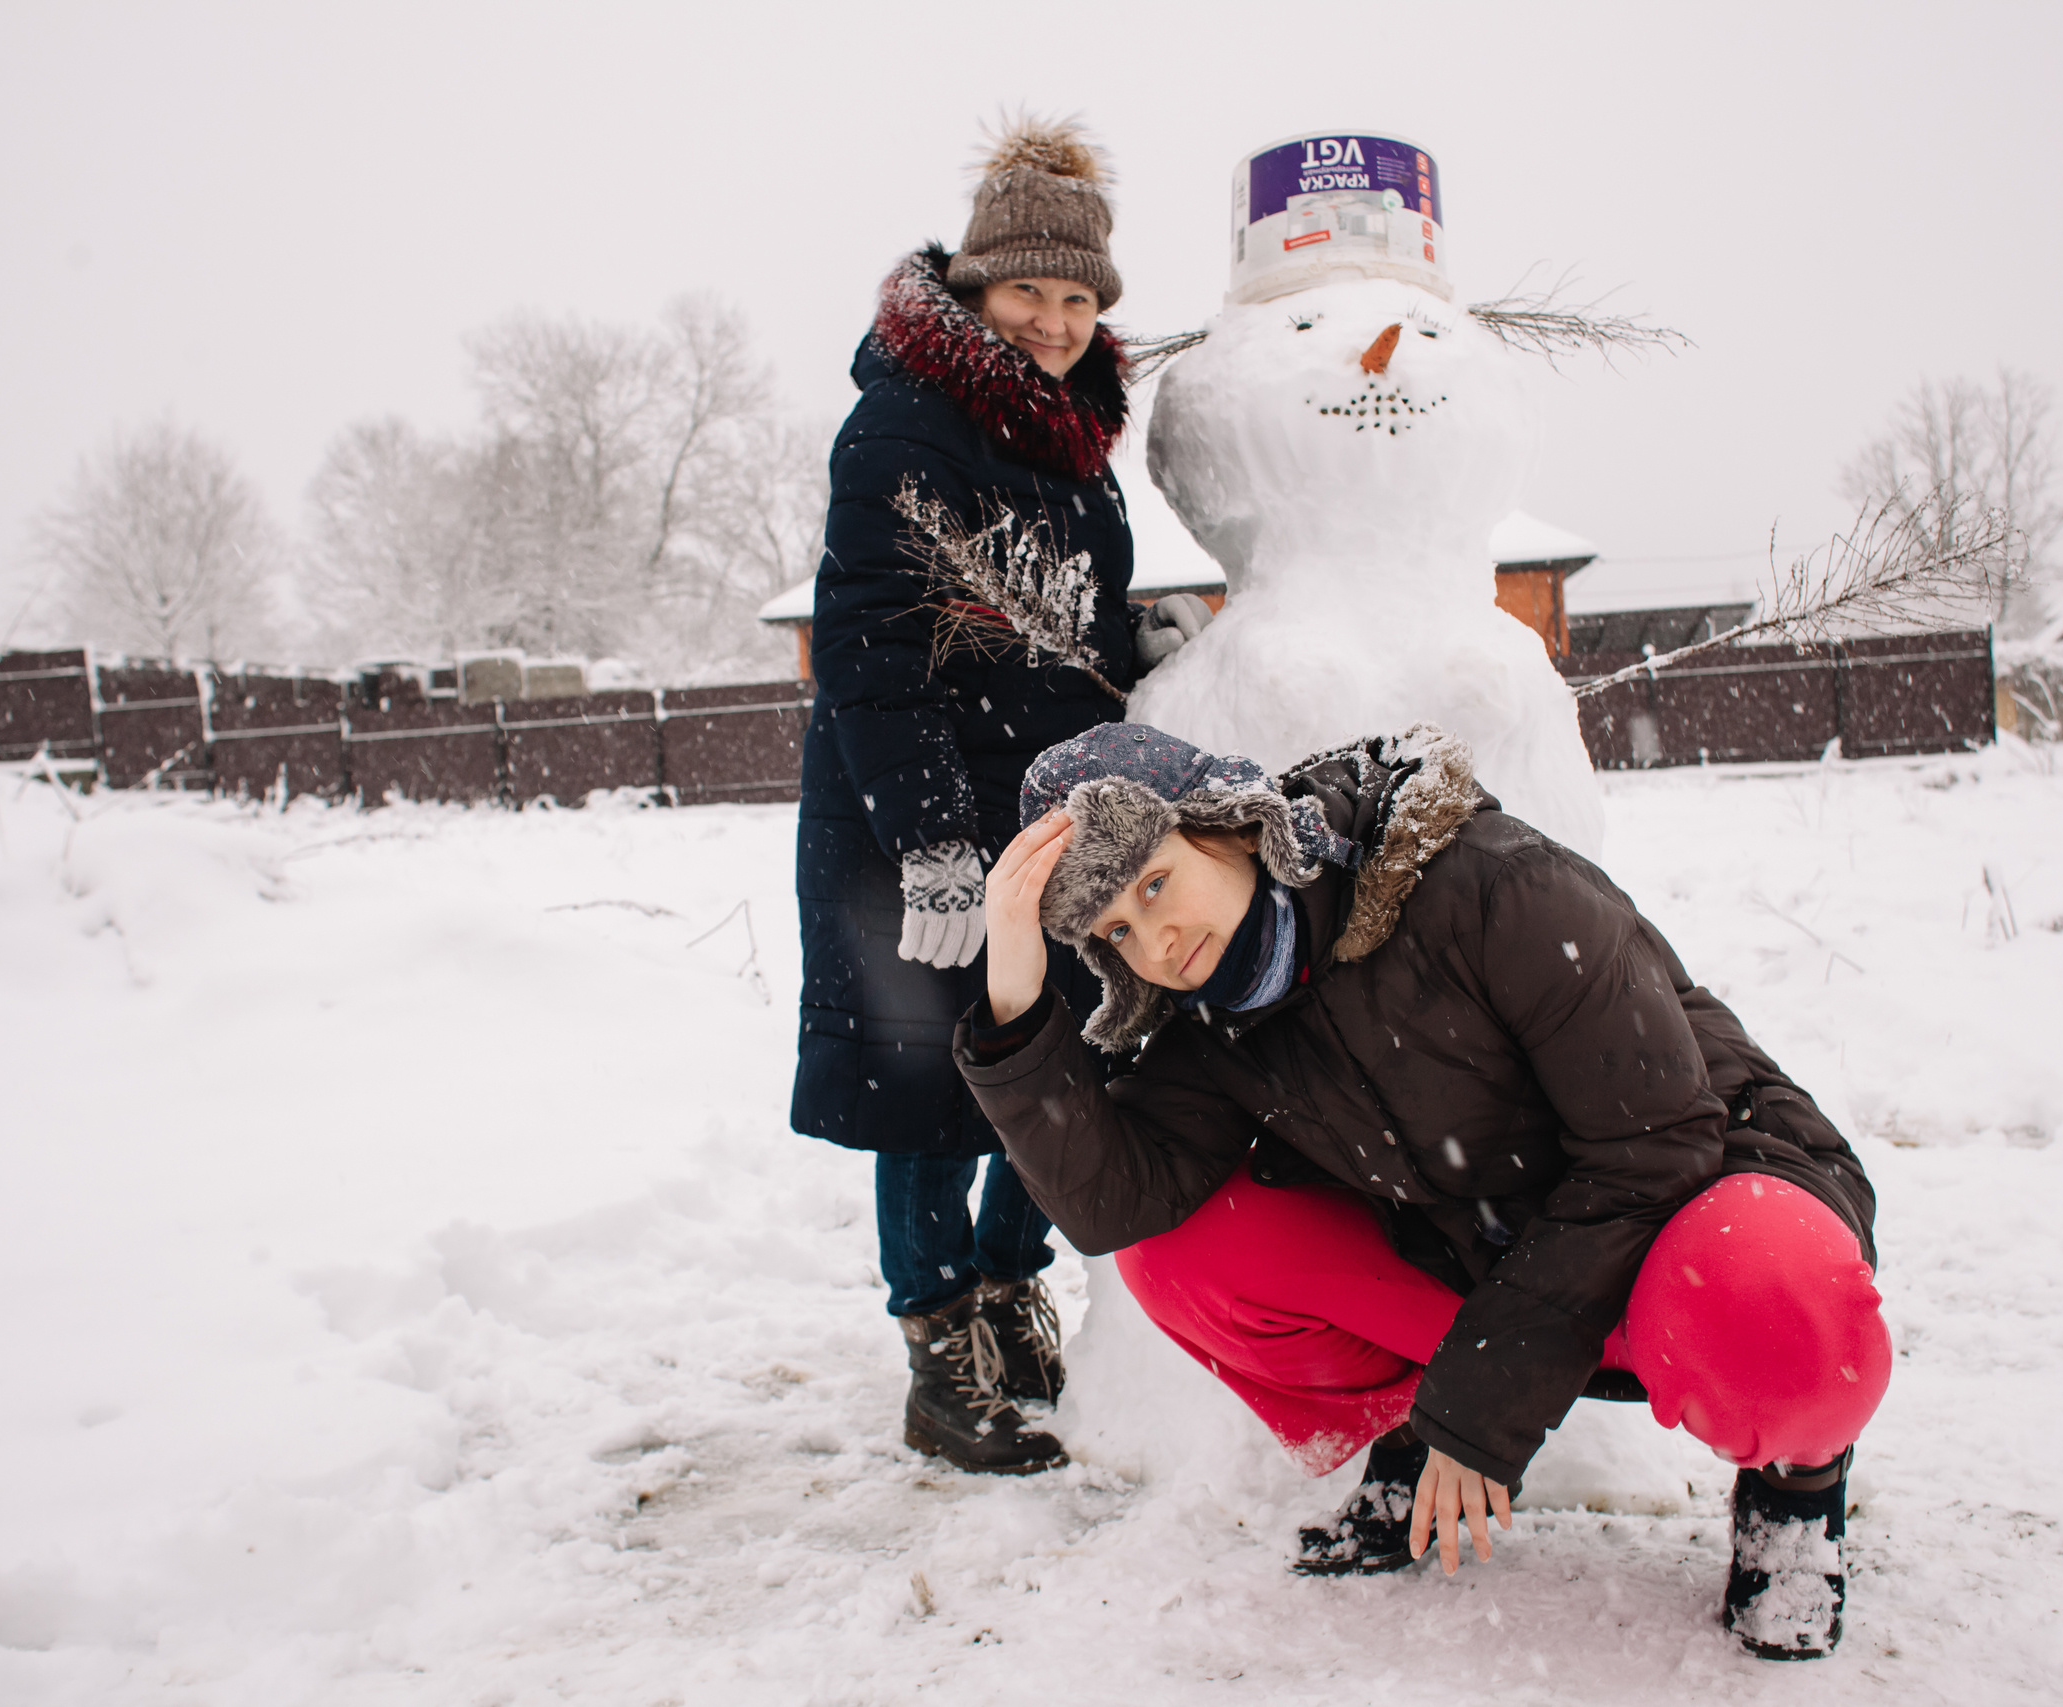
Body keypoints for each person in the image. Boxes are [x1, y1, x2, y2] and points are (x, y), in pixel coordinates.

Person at [955, 721, 1890, 1660]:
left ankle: (1797, 1482)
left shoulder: (1485, 882)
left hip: (1703, 1198)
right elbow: (1116, 1202)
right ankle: (1409, 1430)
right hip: (1508, 1263)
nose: (1154, 938)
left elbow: (1656, 1148)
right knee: (1177, 1250)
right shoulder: (1215, 1022)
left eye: (1155, 884)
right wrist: (1013, 998)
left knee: (1773, 1292)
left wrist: (1480, 1411)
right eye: (1116, 928)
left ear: (1228, 825)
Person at [790, 119, 1211, 1476]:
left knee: (1053, 1065)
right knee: (930, 1081)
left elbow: (1066, 622)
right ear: (975, 288)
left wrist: (1139, 647)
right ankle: (938, 1337)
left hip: (1041, 806)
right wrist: (929, 846)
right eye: (1029, 292)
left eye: (1081, 300)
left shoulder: (1075, 435)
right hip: (908, 812)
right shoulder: (903, 427)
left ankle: (1008, 1280)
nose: (1054, 321)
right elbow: (868, 653)